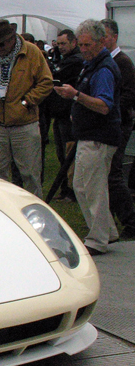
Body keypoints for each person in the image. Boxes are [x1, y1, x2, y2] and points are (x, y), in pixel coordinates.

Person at [54, 19, 121, 255]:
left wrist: (76, 96)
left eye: (87, 45)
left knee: (89, 188)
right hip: (91, 135)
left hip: (98, 137)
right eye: (81, 45)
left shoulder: (103, 69)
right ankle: (106, 231)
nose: (83, 49)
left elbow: (104, 105)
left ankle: (98, 238)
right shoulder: (93, 64)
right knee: (86, 185)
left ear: (101, 42)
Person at [0, 19, 53, 198]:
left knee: (30, 174)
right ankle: (0, 210)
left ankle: (34, 214)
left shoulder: (32, 52)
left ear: (11, 40)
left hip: (25, 124)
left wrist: (26, 102)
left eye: (0, 44)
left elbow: (46, 82)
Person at [101, 19, 135, 239]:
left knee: (113, 173)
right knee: (106, 173)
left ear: (114, 36)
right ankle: (110, 218)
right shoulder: (106, 62)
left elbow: (129, 95)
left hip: (119, 124)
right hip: (109, 123)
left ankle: (130, 219)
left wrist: (107, 108)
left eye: (103, 35)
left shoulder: (122, 62)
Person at [47, 29, 84, 201]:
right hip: (60, 113)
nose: (60, 47)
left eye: (64, 44)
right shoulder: (65, 59)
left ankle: (71, 190)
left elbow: (55, 75)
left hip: (68, 114)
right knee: (62, 153)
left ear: (73, 43)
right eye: (58, 43)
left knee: (69, 154)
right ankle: (66, 189)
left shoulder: (75, 61)